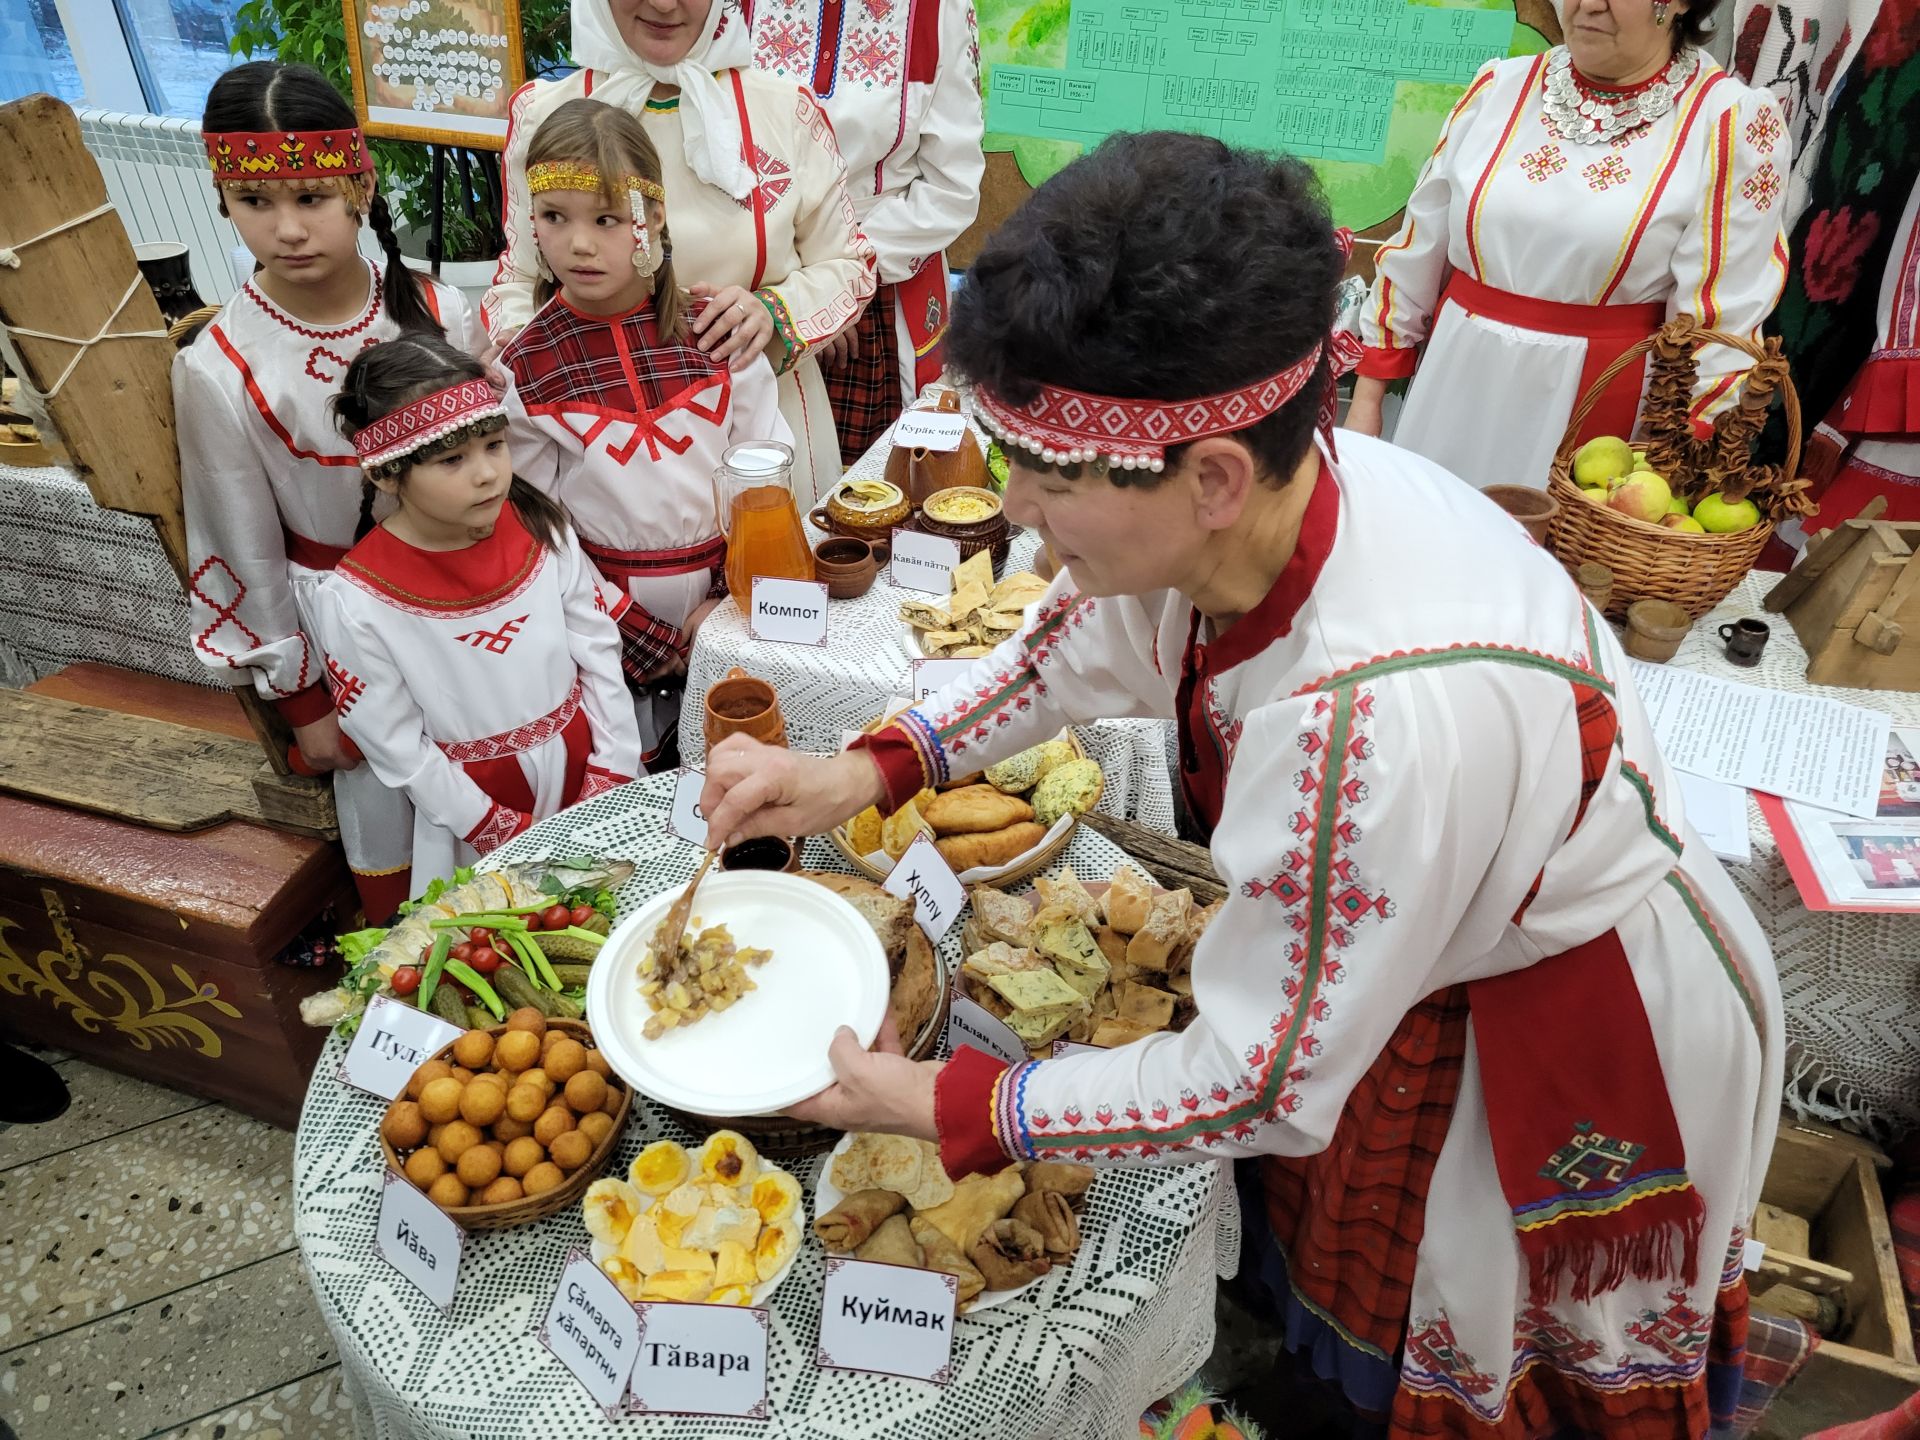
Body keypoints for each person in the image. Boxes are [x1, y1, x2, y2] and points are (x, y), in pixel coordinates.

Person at [700, 132, 1782, 1437]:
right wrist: (866, 764)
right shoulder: (1271, 505)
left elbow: (1257, 1082)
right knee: (1335, 1276)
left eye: (1047, 476)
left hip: (1569, 1008)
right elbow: (1078, 637)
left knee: (1471, 1353)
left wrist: (953, 1102)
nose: (1018, 513)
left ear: (1211, 477)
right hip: (1418, 944)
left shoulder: (1364, 726)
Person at [176, 60, 485, 920]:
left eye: (311, 198)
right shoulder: (220, 368)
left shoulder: (440, 313)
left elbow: (507, 469)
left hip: (473, 601)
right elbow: (238, 545)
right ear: (224, 200)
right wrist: (306, 700)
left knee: (502, 780)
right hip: (342, 626)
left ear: (360, 182)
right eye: (255, 204)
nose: (286, 229)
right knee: (397, 818)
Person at [1344, 0, 1791, 491]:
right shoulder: (1499, 89)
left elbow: (1723, 319)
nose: (1586, 5)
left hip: (1597, 416)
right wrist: (1368, 401)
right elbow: (1417, 251)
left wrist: (1680, 462)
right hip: (1453, 384)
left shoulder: (1729, 121)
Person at [484, 0, 877, 506]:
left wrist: (774, 312)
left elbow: (849, 263)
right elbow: (519, 275)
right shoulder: (543, 111)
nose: (665, 5)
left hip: (763, 419)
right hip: (594, 441)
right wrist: (530, 356)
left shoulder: (784, 110)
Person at [500, 98, 791, 761]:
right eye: (554, 217)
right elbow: (537, 529)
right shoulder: (530, 367)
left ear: (653, 217)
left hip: (729, 605)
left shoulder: (715, 331)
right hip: (598, 632)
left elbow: (763, 480)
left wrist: (726, 600)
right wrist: (631, 630)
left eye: (606, 219)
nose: (579, 243)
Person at [301, 336, 641, 878]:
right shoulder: (357, 600)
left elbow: (598, 651)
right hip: (472, 812)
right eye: (452, 459)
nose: (486, 473)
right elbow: (396, 743)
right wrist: (493, 826)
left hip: (586, 772)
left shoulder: (541, 528)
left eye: (493, 445)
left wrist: (613, 766)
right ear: (386, 474)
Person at [750, 0, 985, 457]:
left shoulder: (936, 11)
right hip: (755, 278)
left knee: (870, 503)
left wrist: (835, 284)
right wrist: (796, 285)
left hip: (876, 290)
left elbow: (951, 188)